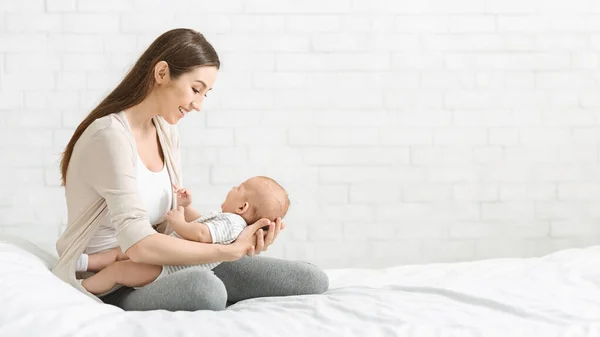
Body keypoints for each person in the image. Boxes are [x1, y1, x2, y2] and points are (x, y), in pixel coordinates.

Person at [52, 28, 329, 311]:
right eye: (195, 89)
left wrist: (241, 239)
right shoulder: (109, 136)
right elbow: (138, 245)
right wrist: (226, 252)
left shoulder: (165, 131)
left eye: (205, 94)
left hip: (162, 262)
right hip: (114, 277)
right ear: (161, 73)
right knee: (205, 289)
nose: (198, 105)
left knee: (310, 279)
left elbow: (169, 225)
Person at [80, 176, 290, 295]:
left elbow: (200, 235)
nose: (232, 188)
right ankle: (84, 263)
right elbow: (200, 224)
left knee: (120, 268)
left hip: (164, 268)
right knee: (121, 253)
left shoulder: (233, 223)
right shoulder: (228, 223)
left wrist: (178, 222)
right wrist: (187, 207)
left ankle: (82, 290)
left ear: (243, 206)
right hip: (165, 258)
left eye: (238, 187)